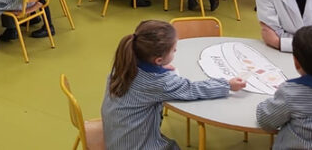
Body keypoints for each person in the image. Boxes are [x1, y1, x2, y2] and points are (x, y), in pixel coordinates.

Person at [101, 20, 245, 150]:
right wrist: (227, 84)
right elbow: (192, 89)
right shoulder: (159, 83)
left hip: (117, 138)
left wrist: (161, 70)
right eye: (174, 50)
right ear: (158, 60)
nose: (176, 51)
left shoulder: (123, 64)